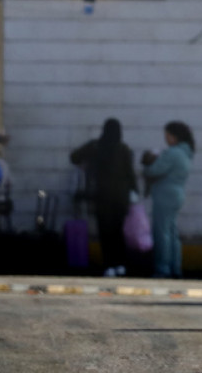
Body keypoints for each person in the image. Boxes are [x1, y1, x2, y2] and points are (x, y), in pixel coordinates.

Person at [71, 118, 139, 276]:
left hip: (101, 196)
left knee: (105, 232)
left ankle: (109, 265)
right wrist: (134, 191)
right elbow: (130, 173)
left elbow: (74, 157)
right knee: (118, 231)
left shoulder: (95, 146)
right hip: (120, 198)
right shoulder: (124, 149)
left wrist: (86, 163)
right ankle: (121, 264)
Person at [142, 121, 194, 277]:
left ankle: (163, 268)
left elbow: (153, 170)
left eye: (167, 136)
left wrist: (148, 162)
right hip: (177, 194)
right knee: (172, 233)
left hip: (165, 195)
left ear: (174, 136)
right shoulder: (186, 153)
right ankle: (175, 267)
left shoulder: (173, 153)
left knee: (162, 233)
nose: (166, 139)